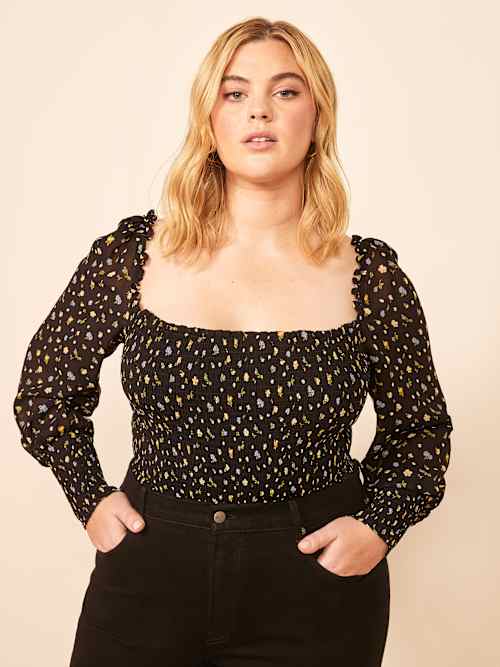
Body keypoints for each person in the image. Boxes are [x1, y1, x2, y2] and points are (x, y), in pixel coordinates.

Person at [13, 16, 453, 667]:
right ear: (208, 118)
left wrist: (378, 527)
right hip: (150, 569)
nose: (259, 111)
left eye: (286, 91)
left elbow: (420, 428)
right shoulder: (134, 255)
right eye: (235, 92)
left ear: (318, 116)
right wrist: (90, 498)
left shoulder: (370, 276)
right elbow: (46, 392)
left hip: (314, 586)